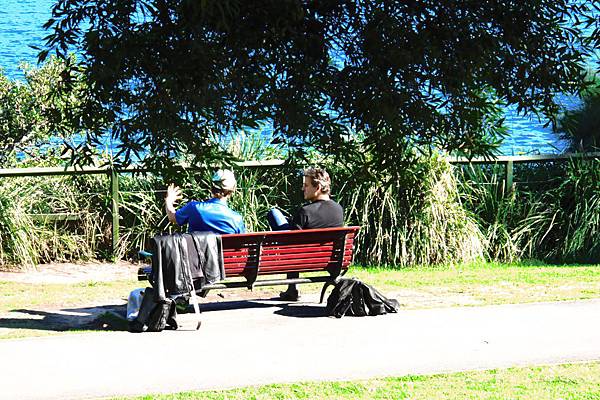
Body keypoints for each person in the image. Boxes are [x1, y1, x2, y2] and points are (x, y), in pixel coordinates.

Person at [268, 167, 344, 300]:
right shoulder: (338, 209)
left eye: (306, 185)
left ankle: (293, 289)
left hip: (301, 258)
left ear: (318, 187)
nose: (303, 189)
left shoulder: (305, 211)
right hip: (330, 259)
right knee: (287, 223)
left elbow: (292, 244)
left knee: (274, 213)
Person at [165, 169, 246, 234]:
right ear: (232, 191)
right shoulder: (237, 219)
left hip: (197, 255)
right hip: (224, 255)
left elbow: (172, 218)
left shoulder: (194, 208)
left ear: (211, 187)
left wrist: (169, 200)